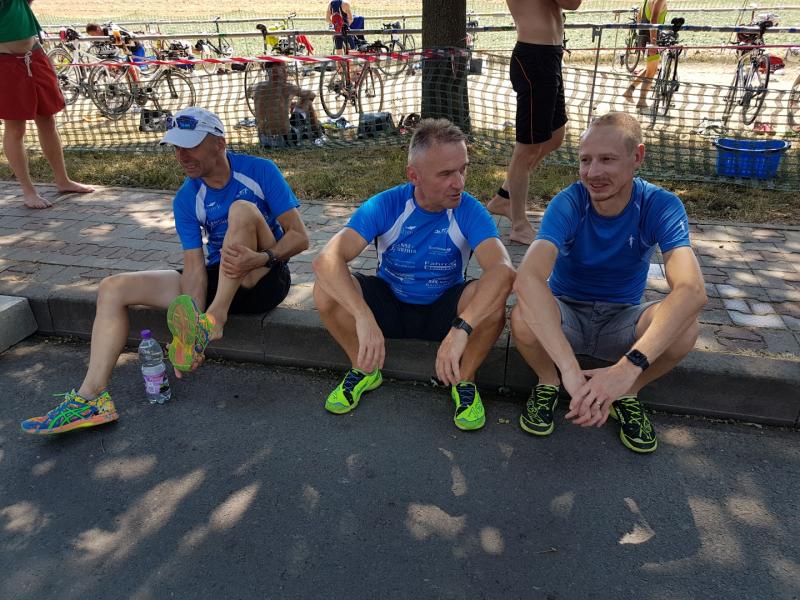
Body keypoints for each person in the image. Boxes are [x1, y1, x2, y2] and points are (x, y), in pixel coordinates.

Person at [20, 107, 310, 435]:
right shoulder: (187, 197)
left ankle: (215, 318)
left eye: (191, 145)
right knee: (113, 287)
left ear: (219, 143)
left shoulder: (260, 170)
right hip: (221, 277)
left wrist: (261, 259)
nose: (182, 155)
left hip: (265, 276)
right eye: (176, 147)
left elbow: (300, 237)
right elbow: (195, 268)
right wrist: (189, 335)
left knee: (241, 210)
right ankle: (91, 398)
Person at [510, 112, 706, 454]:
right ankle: (548, 382)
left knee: (687, 327)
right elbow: (527, 277)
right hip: (566, 315)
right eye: (585, 160)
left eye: (607, 159)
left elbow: (693, 291)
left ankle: (627, 391)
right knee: (522, 313)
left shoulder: (660, 205)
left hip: (622, 319)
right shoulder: (569, 202)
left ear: (637, 156)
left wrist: (628, 369)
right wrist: (569, 371)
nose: (593, 173)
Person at [313, 118, 515, 431]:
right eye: (446, 174)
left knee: (492, 301)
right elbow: (326, 259)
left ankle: (465, 380)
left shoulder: (469, 209)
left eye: (463, 169)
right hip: (390, 303)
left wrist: (463, 327)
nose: (459, 183)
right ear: (414, 176)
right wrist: (362, 316)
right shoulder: (387, 204)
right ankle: (364, 369)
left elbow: (503, 271)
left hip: (444, 310)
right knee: (325, 288)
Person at [486, 0, 582, 246]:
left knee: (555, 136)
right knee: (527, 147)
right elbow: (572, 3)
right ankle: (519, 225)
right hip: (534, 58)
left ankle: (504, 198)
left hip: (550, 55)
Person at [0, 0, 94, 209]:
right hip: (5, 62)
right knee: (15, 128)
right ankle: (28, 191)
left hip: (35, 55)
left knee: (47, 120)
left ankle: (63, 180)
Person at [252, 62, 323, 148]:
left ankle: (314, 132)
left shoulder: (257, 87)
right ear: (276, 72)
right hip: (286, 140)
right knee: (307, 102)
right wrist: (294, 103)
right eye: (284, 69)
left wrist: (285, 104)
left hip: (264, 141)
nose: (287, 72)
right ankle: (318, 134)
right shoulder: (288, 88)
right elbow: (312, 95)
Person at [622, 0, 668, 112]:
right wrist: (653, 42)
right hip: (650, 39)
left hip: (643, 38)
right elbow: (654, 20)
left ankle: (630, 90)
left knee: (651, 69)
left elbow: (638, 19)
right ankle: (642, 101)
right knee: (651, 73)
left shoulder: (646, 1)